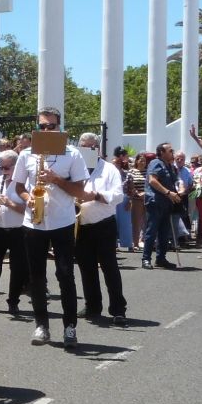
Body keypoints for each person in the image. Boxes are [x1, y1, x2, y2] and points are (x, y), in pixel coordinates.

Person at [12, 107, 89, 349]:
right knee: (36, 276)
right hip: (34, 222)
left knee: (65, 273)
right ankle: (42, 325)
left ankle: (69, 326)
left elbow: (80, 191)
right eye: (42, 126)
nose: (46, 130)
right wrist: (28, 199)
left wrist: (56, 179)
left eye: (51, 126)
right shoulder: (26, 154)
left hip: (62, 221)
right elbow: (18, 187)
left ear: (59, 127)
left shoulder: (72, 154)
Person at [74, 132, 128, 327]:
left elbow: (117, 195)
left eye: (89, 147)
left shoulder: (109, 169)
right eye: (82, 146)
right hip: (82, 225)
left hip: (104, 224)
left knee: (109, 267)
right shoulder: (75, 168)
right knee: (86, 269)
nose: (85, 150)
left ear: (97, 149)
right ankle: (93, 305)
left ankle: (118, 309)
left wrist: (95, 196)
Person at [0, 150, 27, 315]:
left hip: (19, 230)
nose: (4, 171)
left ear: (16, 166)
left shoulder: (23, 184)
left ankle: (13, 301)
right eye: (1, 167)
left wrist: (9, 203)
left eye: (7, 167)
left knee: (18, 268)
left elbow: (28, 210)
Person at [142, 143, 181, 270]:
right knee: (152, 231)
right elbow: (152, 180)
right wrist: (168, 192)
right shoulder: (155, 163)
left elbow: (174, 181)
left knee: (164, 233)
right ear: (162, 152)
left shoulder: (169, 165)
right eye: (170, 150)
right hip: (155, 202)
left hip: (166, 203)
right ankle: (146, 259)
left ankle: (161, 258)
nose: (172, 152)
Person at [112, 148, 134, 251]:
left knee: (125, 222)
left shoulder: (127, 172)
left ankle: (128, 243)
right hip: (112, 198)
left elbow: (131, 187)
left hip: (124, 197)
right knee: (112, 222)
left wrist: (130, 200)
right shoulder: (110, 169)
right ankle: (113, 243)